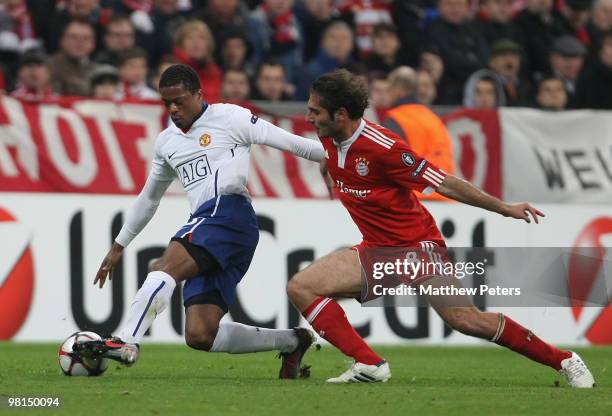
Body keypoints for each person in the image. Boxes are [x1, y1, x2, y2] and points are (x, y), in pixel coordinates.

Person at [286, 69, 595, 387]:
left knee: (466, 320)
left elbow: (444, 182)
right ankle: (368, 363)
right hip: (377, 249)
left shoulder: (385, 148)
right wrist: (328, 169)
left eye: (315, 111)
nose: (308, 116)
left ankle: (565, 360)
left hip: (417, 248)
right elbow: (330, 156)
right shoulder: (329, 136)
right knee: (302, 287)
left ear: (340, 114)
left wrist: (504, 207)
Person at [75, 64, 325, 380]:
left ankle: (127, 341)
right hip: (222, 228)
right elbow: (149, 198)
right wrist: (118, 246)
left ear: (199, 94)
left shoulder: (229, 118)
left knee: (163, 268)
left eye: (180, 100)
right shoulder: (167, 142)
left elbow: (293, 143)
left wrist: (335, 157)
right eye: (167, 103)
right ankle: (292, 341)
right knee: (200, 334)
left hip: (228, 211)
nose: (174, 109)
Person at [383, 66, 455, 201]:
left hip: (417, 198)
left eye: (389, 89)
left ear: (398, 90)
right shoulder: (434, 119)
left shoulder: (396, 119)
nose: (387, 94)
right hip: (446, 195)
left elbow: (390, 163)